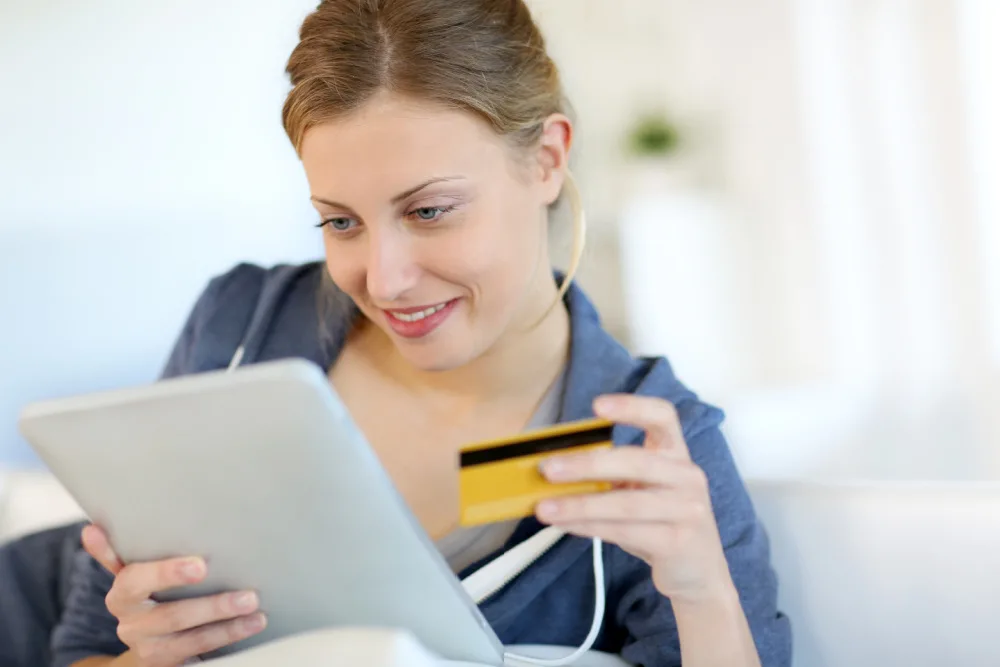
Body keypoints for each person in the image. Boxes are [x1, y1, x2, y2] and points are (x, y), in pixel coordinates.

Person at [51, 1, 791, 665]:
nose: (384, 278)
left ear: (547, 159)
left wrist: (703, 596)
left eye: (429, 210)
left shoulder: (651, 448)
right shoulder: (238, 329)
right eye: (340, 221)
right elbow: (81, 646)